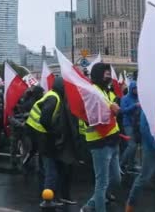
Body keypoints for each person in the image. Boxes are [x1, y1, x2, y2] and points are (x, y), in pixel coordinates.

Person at [26, 77, 79, 206]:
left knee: (52, 167)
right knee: (51, 169)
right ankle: (49, 199)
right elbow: (45, 120)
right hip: (43, 136)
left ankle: (53, 196)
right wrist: (54, 132)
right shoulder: (54, 98)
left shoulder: (54, 95)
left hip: (41, 135)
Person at [80, 63, 121, 212]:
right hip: (100, 143)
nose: (109, 77)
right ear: (98, 74)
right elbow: (92, 117)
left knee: (116, 179)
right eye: (106, 74)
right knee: (102, 183)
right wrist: (112, 109)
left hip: (113, 140)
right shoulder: (92, 92)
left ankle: (90, 205)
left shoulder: (104, 91)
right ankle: (96, 207)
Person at [119, 81, 141, 172]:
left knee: (134, 146)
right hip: (128, 124)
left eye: (137, 88)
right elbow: (123, 110)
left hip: (137, 124)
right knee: (132, 145)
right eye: (135, 88)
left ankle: (130, 165)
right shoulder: (125, 98)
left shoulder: (139, 98)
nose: (136, 90)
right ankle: (121, 164)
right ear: (131, 89)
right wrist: (134, 106)